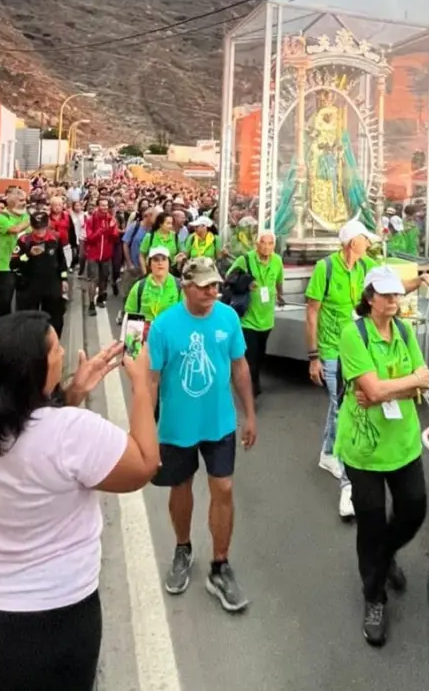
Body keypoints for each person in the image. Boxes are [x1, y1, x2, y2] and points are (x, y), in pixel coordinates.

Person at [0, 312, 161, 691]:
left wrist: (73, 393)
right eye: (56, 348)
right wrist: (142, 386)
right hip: (51, 621)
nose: (62, 352)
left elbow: (37, 441)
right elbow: (144, 465)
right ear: (33, 369)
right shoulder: (71, 432)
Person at [305, 219, 429, 519]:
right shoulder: (325, 269)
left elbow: (392, 287)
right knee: (345, 407)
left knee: (338, 405)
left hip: (361, 349)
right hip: (333, 348)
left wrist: (420, 280)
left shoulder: (367, 266)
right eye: (366, 239)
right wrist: (313, 356)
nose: (370, 243)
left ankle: (328, 453)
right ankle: (348, 485)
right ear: (353, 242)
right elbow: (312, 312)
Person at [148, 256, 257, 612]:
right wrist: (146, 428)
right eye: (205, 286)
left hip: (219, 423)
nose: (213, 291)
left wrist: (249, 415)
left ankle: (220, 566)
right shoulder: (165, 326)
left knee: (223, 488)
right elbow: (151, 379)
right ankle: (183, 548)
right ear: (186, 287)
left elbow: (240, 367)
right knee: (180, 488)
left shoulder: (227, 318)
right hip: (177, 427)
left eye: (216, 285)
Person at [337, 266, 429, 646]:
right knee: (371, 524)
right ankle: (373, 595)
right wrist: (404, 386)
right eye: (387, 295)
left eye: (397, 295)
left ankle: (386, 554)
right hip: (364, 448)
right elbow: (373, 391)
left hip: (404, 441)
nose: (395, 301)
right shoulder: (352, 333)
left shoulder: (405, 331)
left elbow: (423, 379)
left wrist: (392, 389)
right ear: (370, 297)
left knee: (415, 508)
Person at [226, 230, 284, 397]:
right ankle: (251, 389)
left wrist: (280, 296)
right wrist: (245, 283)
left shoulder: (277, 261)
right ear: (257, 244)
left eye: (270, 243)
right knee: (250, 356)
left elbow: (279, 281)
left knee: (260, 355)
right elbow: (229, 277)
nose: (266, 247)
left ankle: (253, 380)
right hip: (248, 319)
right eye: (263, 243)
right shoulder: (245, 259)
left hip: (267, 318)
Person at [12, 211, 70, 337]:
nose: (39, 232)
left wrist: (64, 279)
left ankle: (52, 343)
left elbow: (61, 261)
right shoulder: (23, 241)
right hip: (29, 285)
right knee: (27, 319)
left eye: (42, 228)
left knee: (55, 318)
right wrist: (28, 255)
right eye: (36, 228)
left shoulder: (55, 238)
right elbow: (14, 263)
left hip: (51, 284)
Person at [0, 188, 32, 316]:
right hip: (6, 265)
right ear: (11, 202)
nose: (24, 203)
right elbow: (15, 229)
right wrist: (29, 222)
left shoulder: (26, 216)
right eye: (21, 200)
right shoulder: (1, 218)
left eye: (25, 200)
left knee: (24, 299)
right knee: (5, 300)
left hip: (24, 264)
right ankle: (3, 326)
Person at [123, 246, 180, 324]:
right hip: (146, 334)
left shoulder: (180, 287)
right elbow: (129, 314)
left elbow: (186, 317)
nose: (160, 263)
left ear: (169, 263)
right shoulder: (139, 287)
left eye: (164, 259)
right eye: (156, 260)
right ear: (149, 264)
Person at [84, 197, 119, 316]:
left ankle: (100, 298)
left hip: (106, 255)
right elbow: (90, 239)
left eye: (106, 205)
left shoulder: (112, 219)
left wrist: (111, 228)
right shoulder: (91, 220)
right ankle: (91, 304)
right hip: (93, 255)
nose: (104, 208)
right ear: (98, 206)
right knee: (93, 279)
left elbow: (114, 238)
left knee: (104, 279)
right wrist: (101, 230)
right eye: (102, 205)